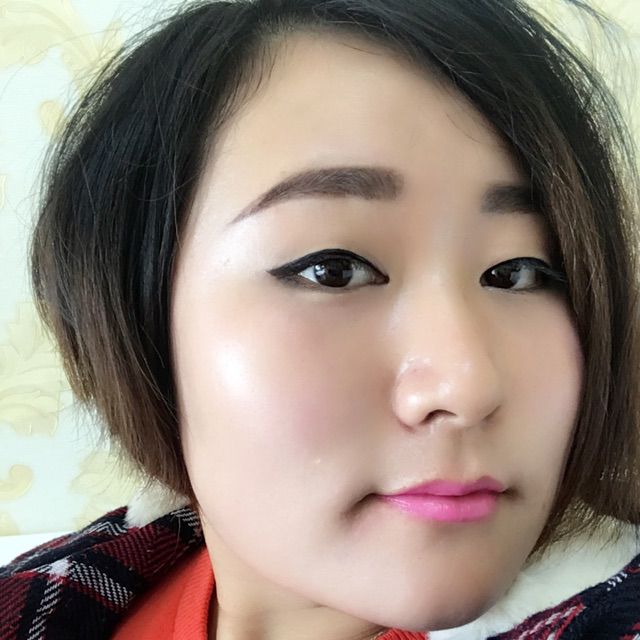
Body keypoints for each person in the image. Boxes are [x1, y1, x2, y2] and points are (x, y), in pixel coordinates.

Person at [1, 0, 640, 638]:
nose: (466, 386)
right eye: (334, 269)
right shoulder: (45, 598)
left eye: (518, 273)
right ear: (134, 318)